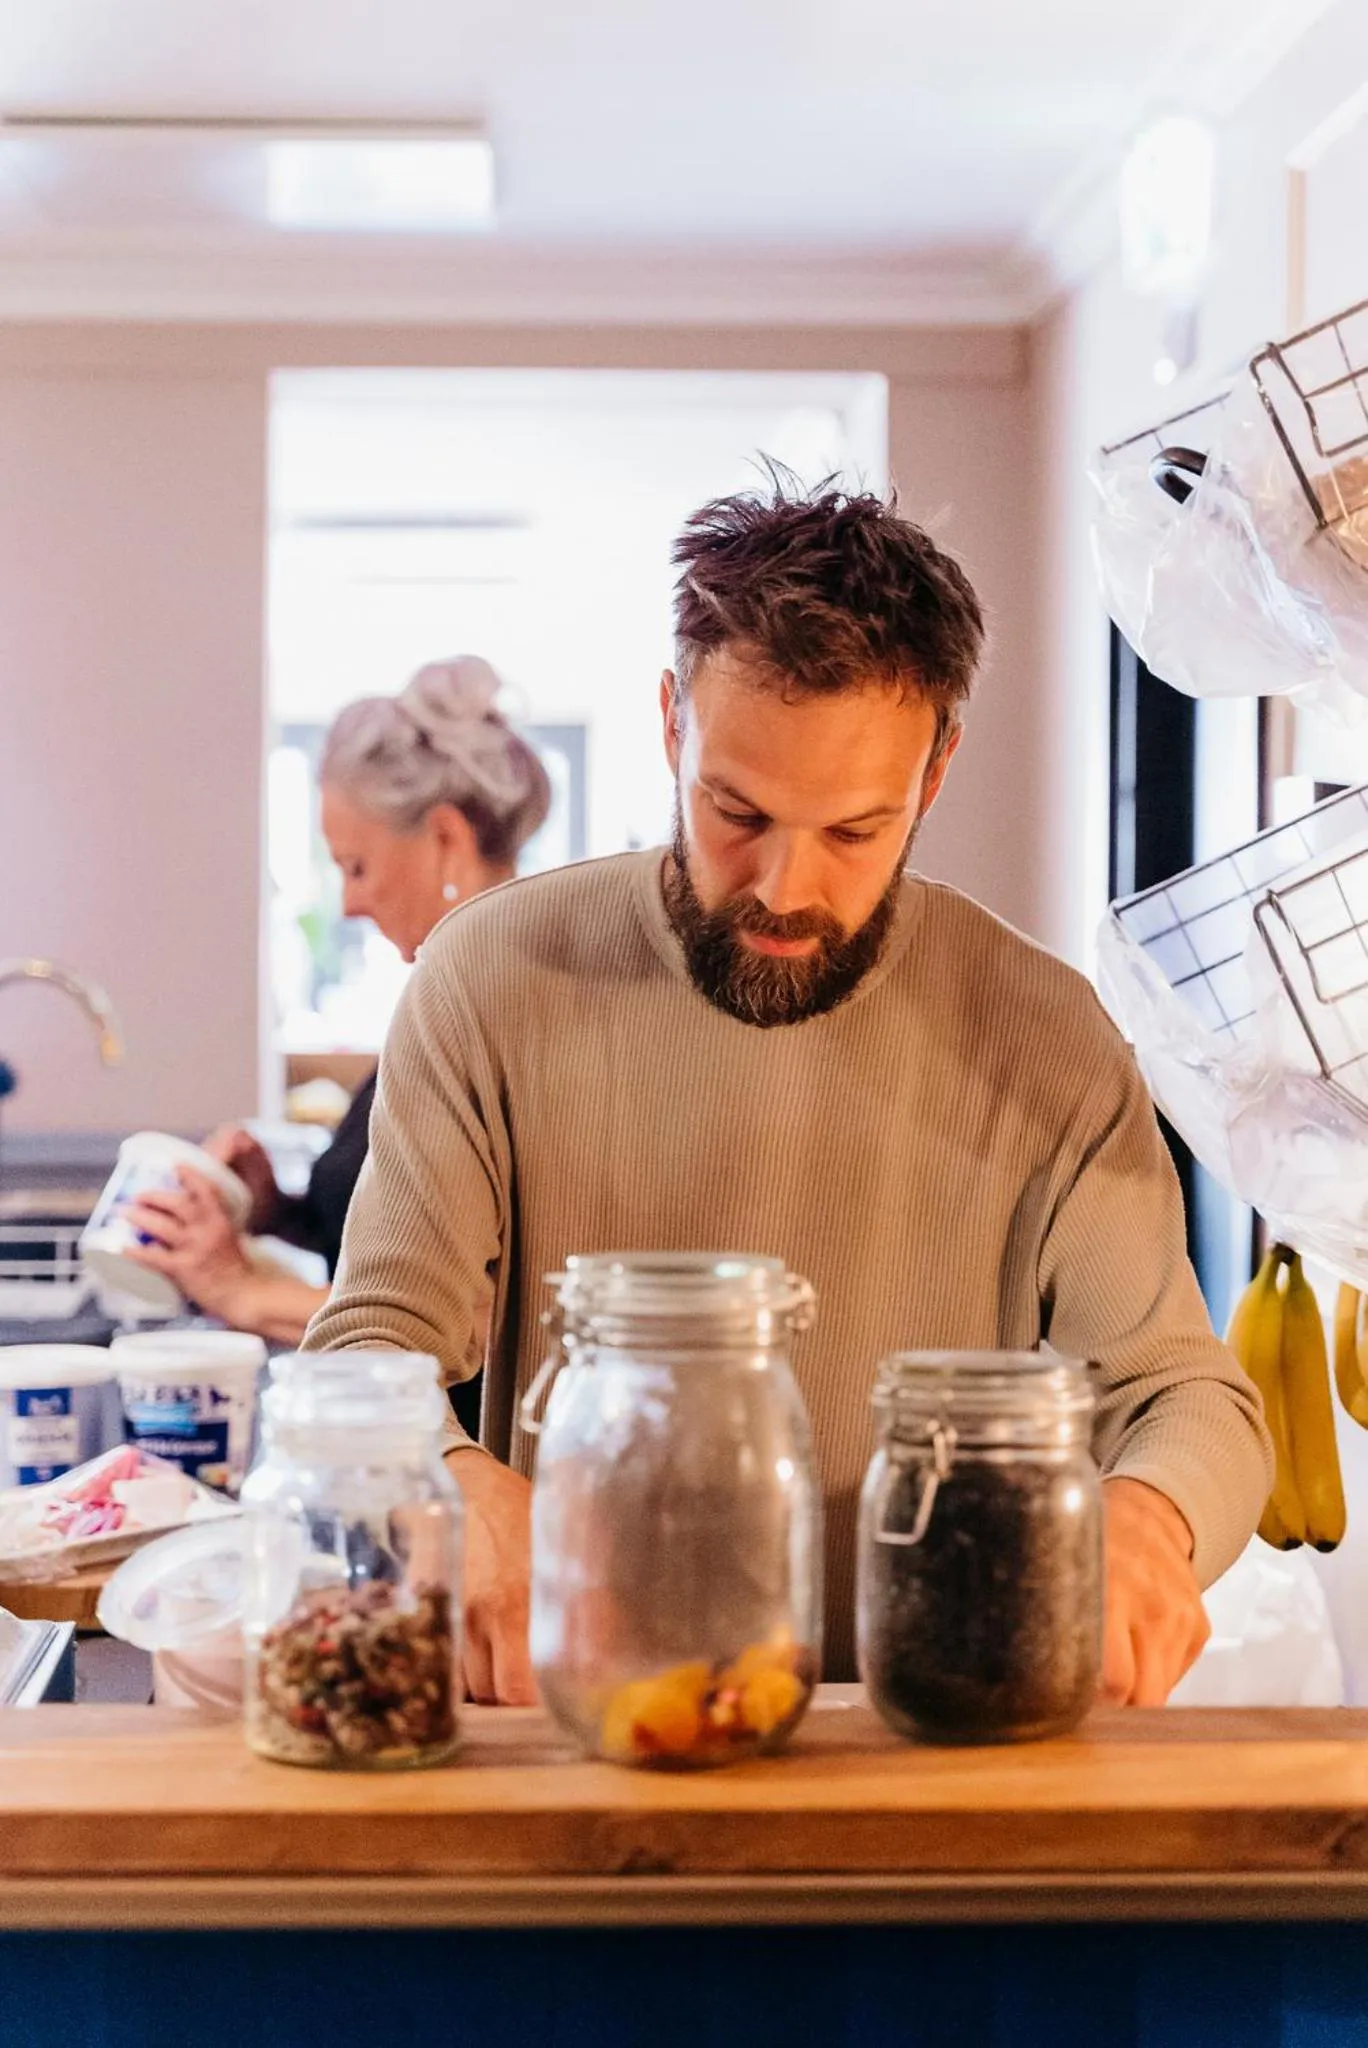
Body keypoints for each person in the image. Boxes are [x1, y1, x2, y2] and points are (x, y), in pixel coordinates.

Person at [305, 482, 1273, 1710]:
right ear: (671, 725)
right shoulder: (489, 979)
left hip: (922, 1738)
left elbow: (1186, 1394)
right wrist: (448, 1475)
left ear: (934, 772)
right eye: (737, 811)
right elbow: (367, 1344)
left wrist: (1151, 1516)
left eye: (855, 830)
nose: (784, 884)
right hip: (591, 1731)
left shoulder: (1049, 1036)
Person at [124, 657, 551, 1438]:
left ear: (447, 839)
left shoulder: (523, 1015)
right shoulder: (446, 1007)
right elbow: (398, 1238)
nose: (349, 901)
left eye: (356, 865)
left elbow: (489, 1324)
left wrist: (243, 1292)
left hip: (463, 1473)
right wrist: (275, 1210)